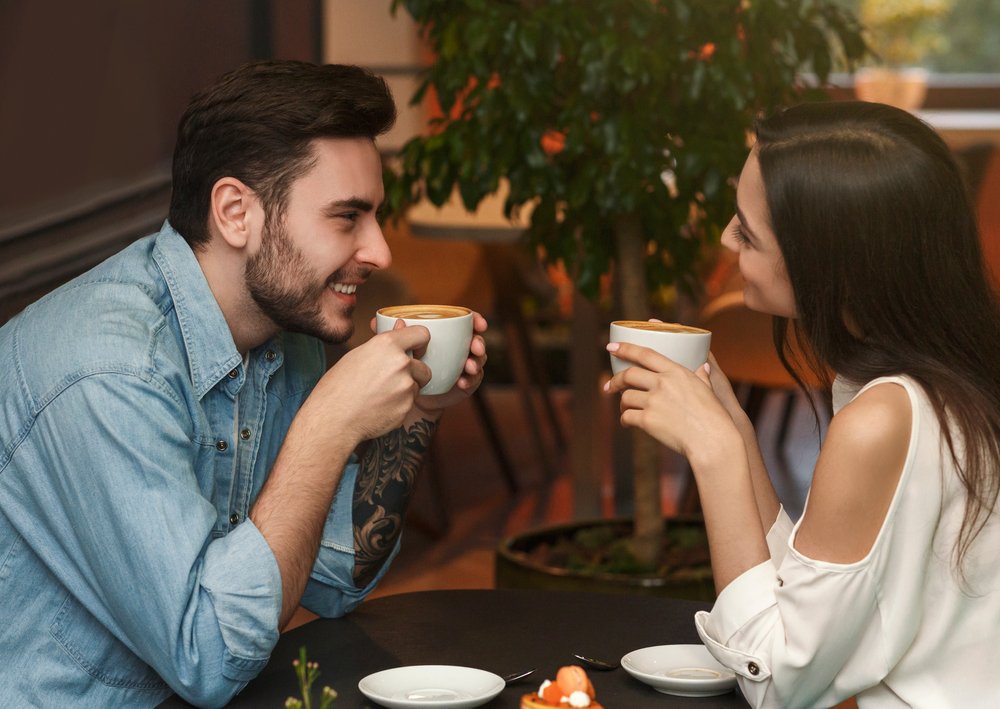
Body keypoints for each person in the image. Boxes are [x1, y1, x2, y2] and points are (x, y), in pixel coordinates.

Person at [0, 60, 488, 707]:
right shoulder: (108, 373)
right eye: (347, 218)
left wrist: (420, 408)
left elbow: (335, 571)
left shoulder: (284, 327)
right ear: (235, 212)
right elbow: (210, 654)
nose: (380, 250)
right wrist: (328, 424)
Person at [606, 101, 1000, 707]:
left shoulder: (883, 417)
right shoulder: (937, 381)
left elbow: (780, 683)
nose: (724, 238)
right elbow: (807, 595)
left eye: (746, 231)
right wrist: (732, 426)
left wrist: (711, 456)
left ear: (827, 266)